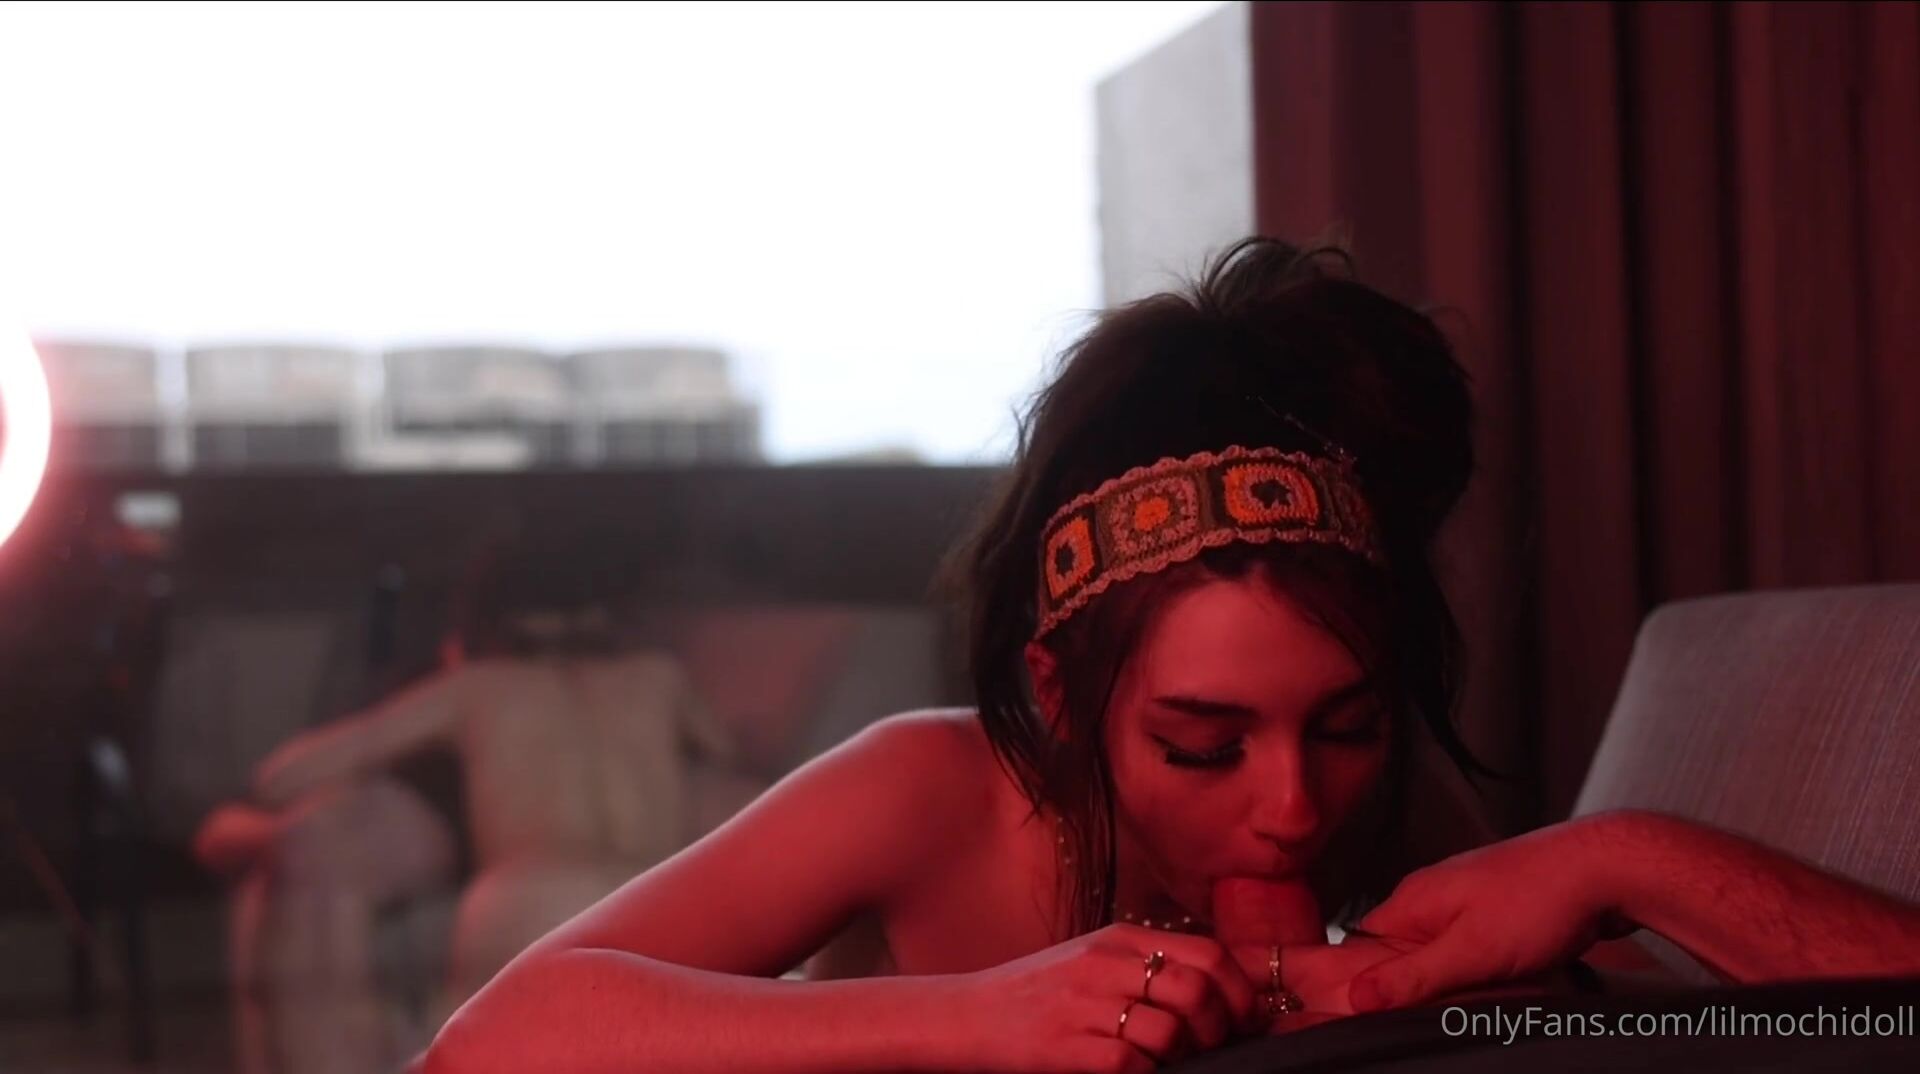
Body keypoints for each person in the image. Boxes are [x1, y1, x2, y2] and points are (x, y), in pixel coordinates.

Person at [420, 239, 1920, 1074]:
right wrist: (977, 1015)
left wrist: (1628, 858)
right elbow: (489, 1046)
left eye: (1346, 726)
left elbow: (1835, 1019)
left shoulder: (1402, 823)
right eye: (1203, 744)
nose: (1293, 805)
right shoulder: (934, 791)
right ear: (1065, 700)